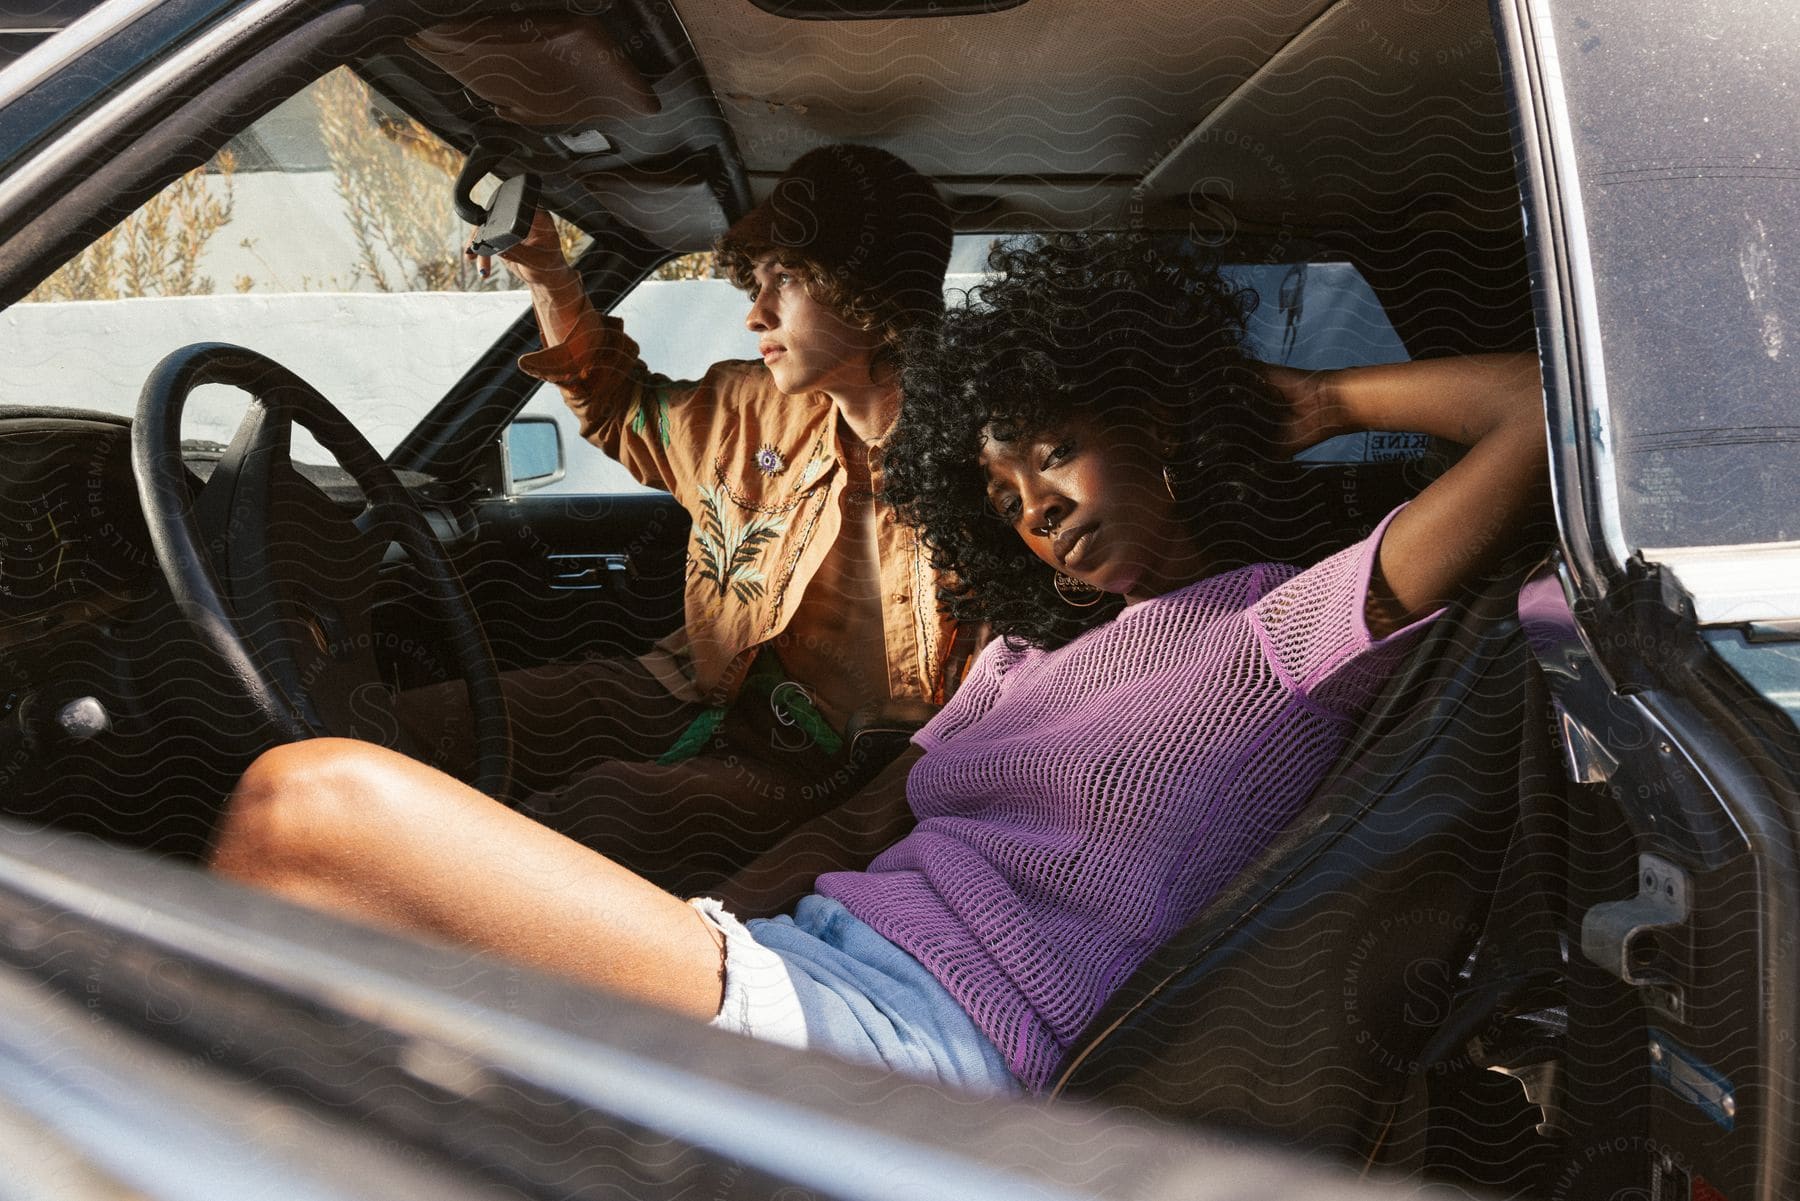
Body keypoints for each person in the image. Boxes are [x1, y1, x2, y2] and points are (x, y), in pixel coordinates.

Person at [214, 234, 1548, 1096]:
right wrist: (698, 931)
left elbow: (1542, 414)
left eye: (1057, 452)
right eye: (1003, 489)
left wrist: (1319, 402)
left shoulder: (1287, 628)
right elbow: (855, 822)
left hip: (933, 1050)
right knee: (389, 1003)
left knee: (314, 804)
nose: (1036, 511)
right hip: (805, 967)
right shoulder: (1026, 656)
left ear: (1158, 430)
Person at [409, 144, 966, 895]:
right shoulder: (745, 408)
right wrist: (546, 270)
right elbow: (616, 405)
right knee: (435, 725)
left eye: (789, 278)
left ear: (868, 287)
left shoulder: (991, 465)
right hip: (691, 689)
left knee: (588, 817)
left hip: (822, 771)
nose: (755, 311)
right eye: (757, 278)